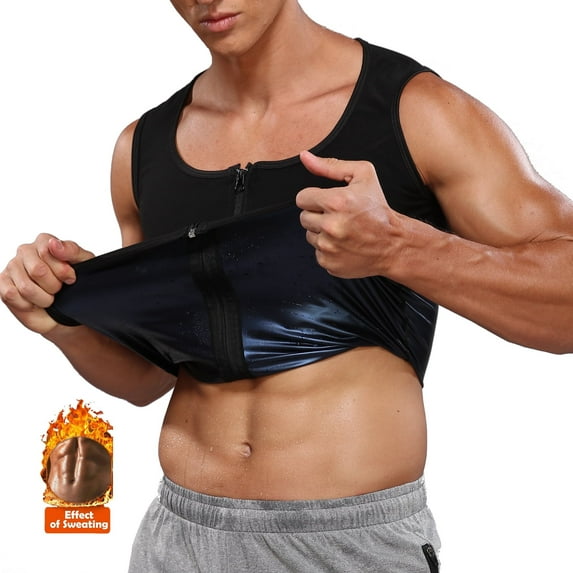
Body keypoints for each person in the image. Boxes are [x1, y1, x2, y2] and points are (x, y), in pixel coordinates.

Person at [1, 0, 572, 571]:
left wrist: (402, 248)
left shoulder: (416, 110)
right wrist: (64, 320)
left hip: (344, 543)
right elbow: (149, 376)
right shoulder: (142, 146)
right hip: (179, 539)